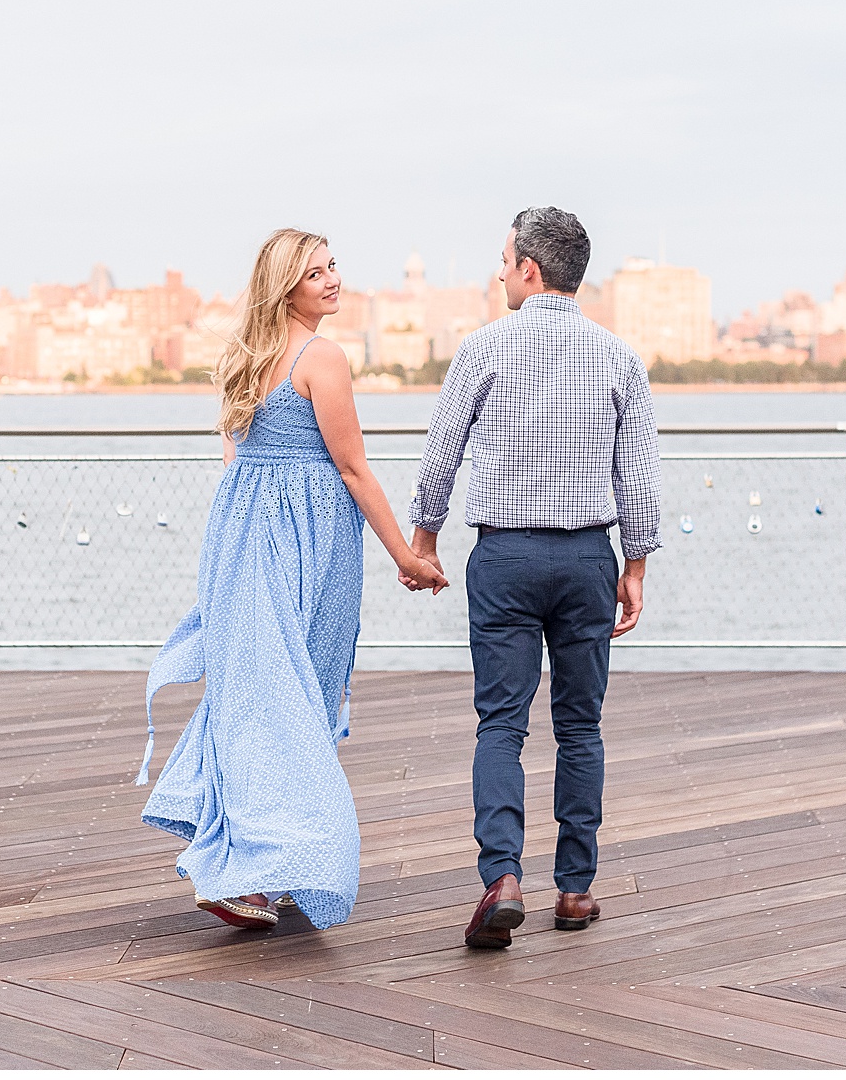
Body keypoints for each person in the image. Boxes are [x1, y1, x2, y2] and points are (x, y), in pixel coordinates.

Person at [138, 227, 448, 931]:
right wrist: (405, 555)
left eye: (333, 265)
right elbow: (352, 469)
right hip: (308, 545)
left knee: (254, 694)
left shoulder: (244, 357)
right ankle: (261, 864)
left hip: (243, 538)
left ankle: (253, 860)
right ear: (287, 288)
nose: (333, 279)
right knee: (289, 697)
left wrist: (256, 510)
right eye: (316, 274)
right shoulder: (323, 358)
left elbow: (233, 452)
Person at [405, 206, 661, 950]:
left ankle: (503, 879)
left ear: (530, 270)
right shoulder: (619, 359)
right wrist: (635, 565)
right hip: (587, 559)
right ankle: (575, 892)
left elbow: (441, 455)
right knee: (581, 726)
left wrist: (425, 538)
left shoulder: (481, 349)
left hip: (506, 559)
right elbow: (639, 480)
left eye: (504, 259)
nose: (497, 272)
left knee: (502, 725)